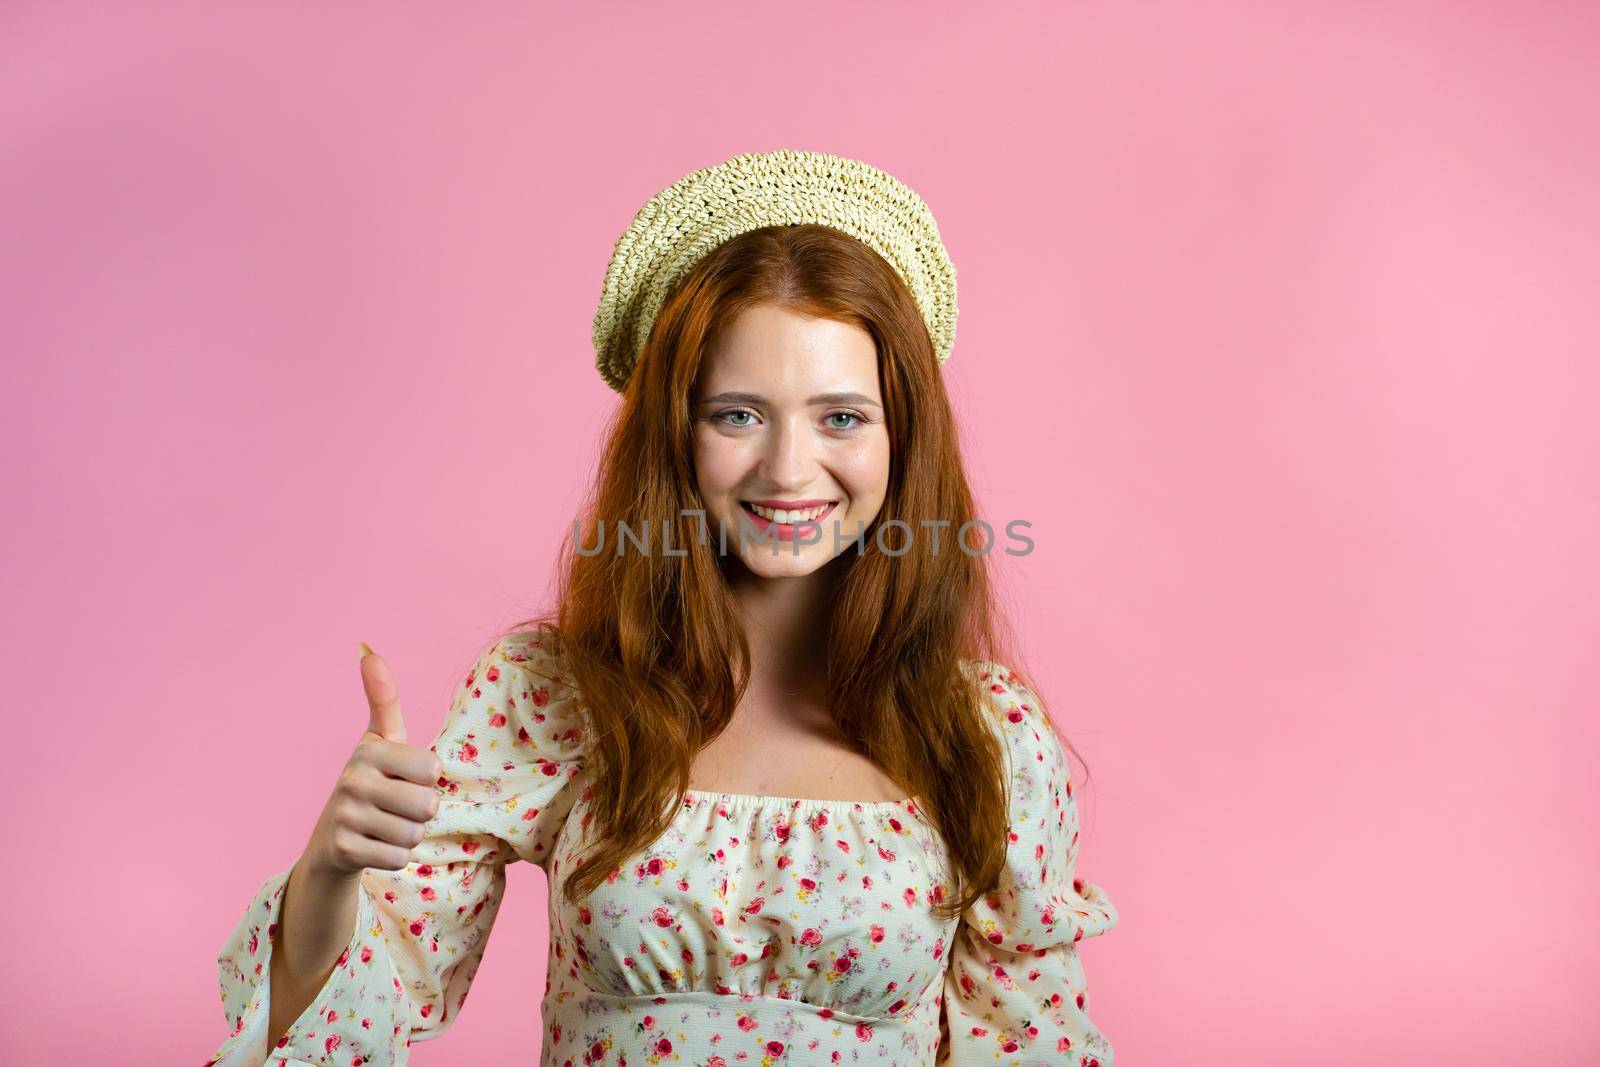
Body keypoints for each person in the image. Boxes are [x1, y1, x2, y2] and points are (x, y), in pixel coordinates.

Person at [204, 149, 1118, 1066]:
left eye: (841, 416)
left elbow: (1027, 1042)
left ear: (902, 438)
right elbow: (367, 1007)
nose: (790, 470)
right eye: (737, 415)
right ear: (672, 435)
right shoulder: (553, 695)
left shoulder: (986, 734)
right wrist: (330, 872)